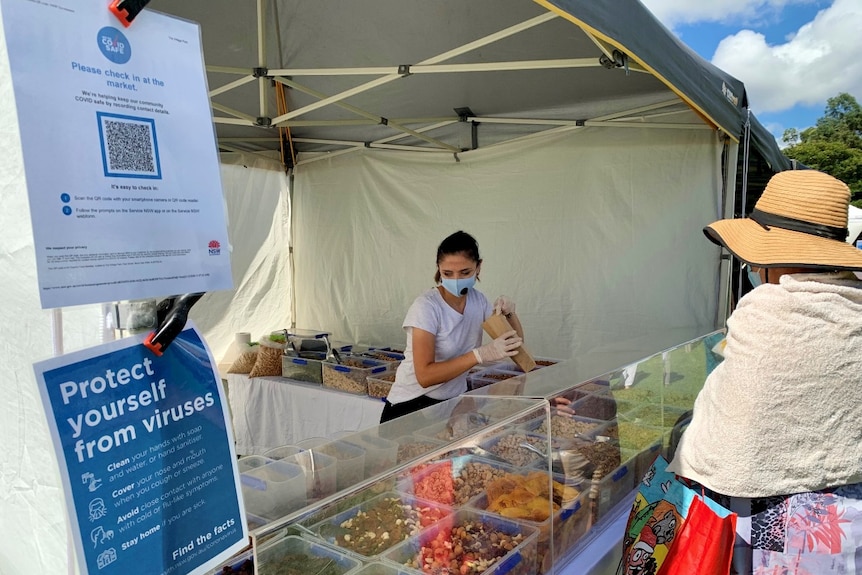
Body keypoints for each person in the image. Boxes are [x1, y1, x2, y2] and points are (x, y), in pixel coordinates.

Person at [666, 170, 862, 573]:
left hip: (775, 515)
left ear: (777, 254)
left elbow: (734, 428)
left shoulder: (766, 312)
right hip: (848, 513)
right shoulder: (853, 306)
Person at [380, 230, 524, 423]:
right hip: (411, 407)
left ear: (478, 267)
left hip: (453, 403)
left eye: (465, 272)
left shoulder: (478, 301)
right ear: (439, 269)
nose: (456, 280)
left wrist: (510, 314)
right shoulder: (426, 307)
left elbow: (516, 347)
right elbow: (425, 376)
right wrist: (479, 355)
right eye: (448, 273)